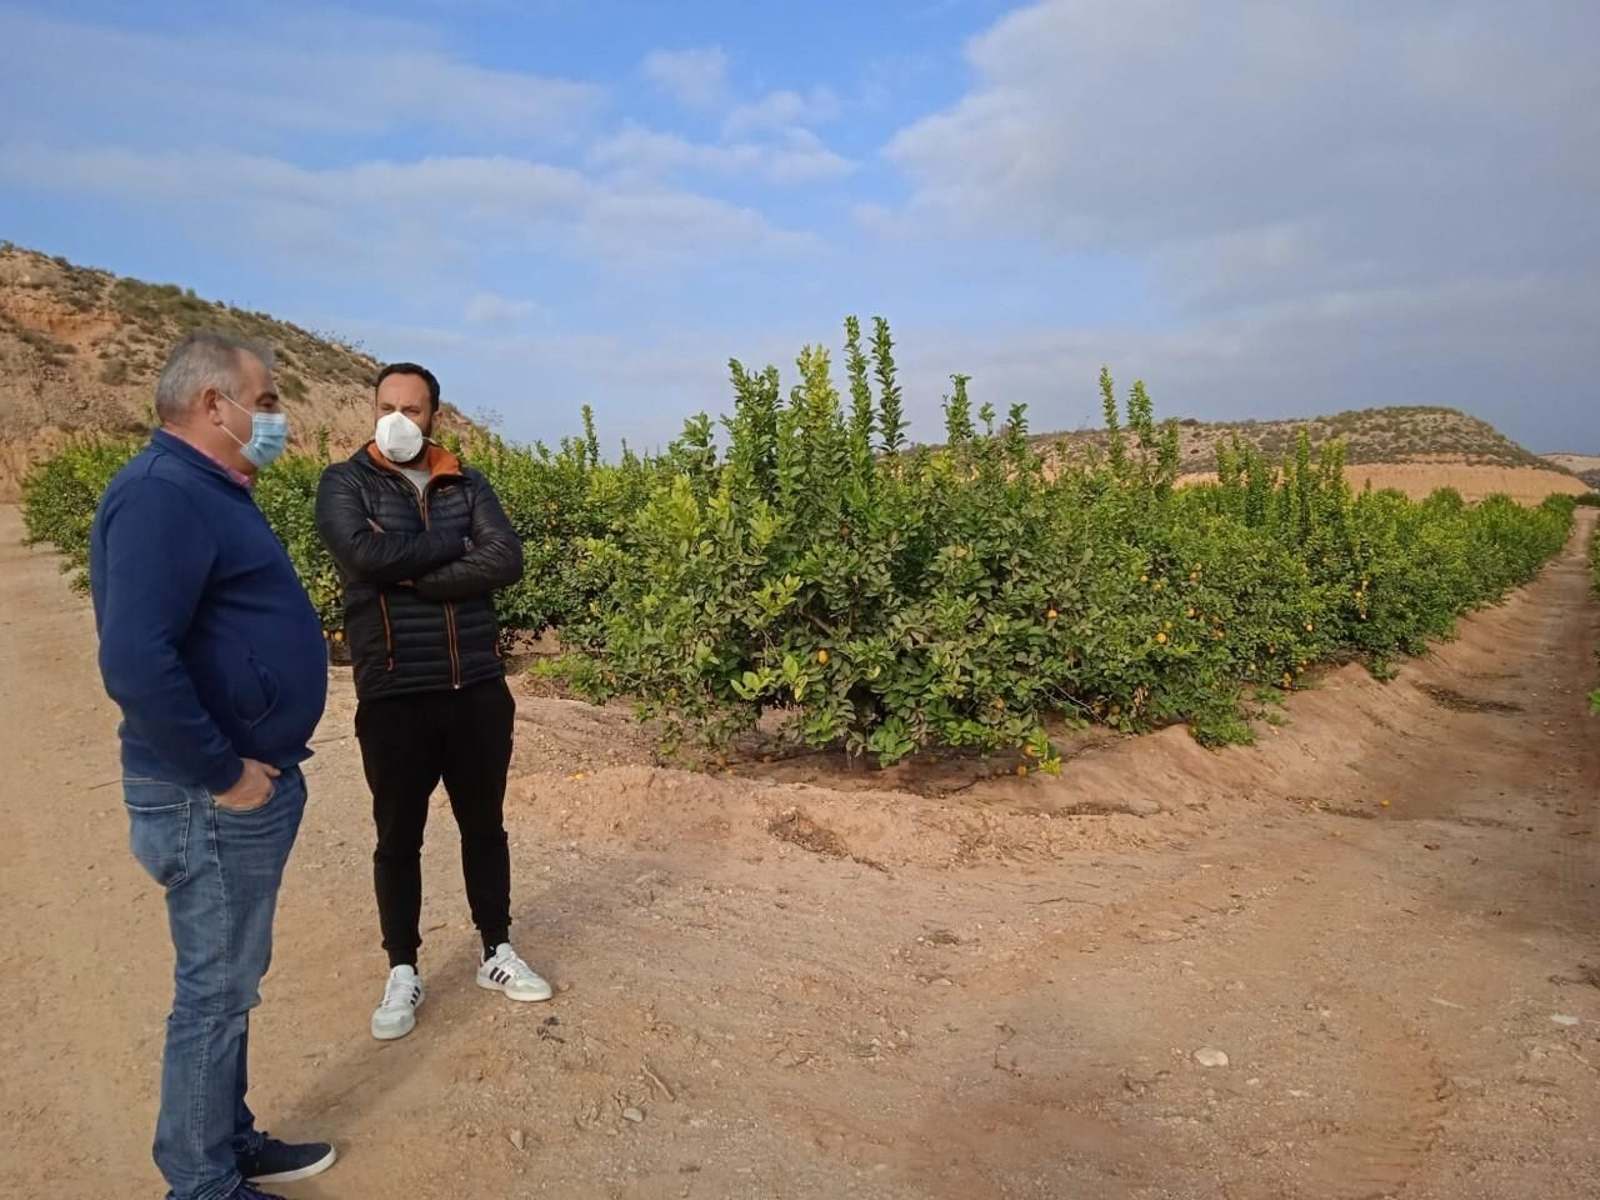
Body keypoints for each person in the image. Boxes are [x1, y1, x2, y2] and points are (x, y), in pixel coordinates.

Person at [90, 331, 336, 1200]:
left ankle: (226, 1141)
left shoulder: (206, 487)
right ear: (212, 405)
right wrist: (226, 773)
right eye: (265, 401)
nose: (274, 418)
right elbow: (135, 661)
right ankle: (200, 1184)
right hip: (209, 796)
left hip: (228, 785)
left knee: (229, 984)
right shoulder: (163, 495)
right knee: (213, 993)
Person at [314, 361, 550, 1042]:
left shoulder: (467, 483)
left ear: (433, 417)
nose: (396, 419)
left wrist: (410, 574)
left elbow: (505, 559)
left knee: (485, 826)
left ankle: (497, 951)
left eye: (411, 409)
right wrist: (451, 551)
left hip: (475, 686)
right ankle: (403, 967)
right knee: (399, 837)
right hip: (394, 690)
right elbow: (361, 556)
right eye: (386, 405)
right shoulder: (345, 482)